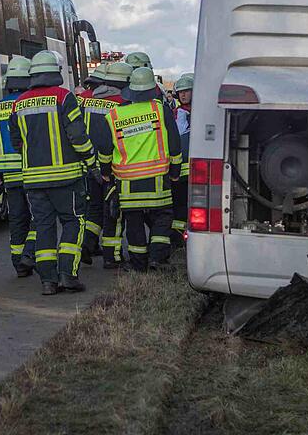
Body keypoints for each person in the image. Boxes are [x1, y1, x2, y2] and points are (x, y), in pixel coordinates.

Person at [9, 50, 98, 295]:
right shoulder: (64, 97)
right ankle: (68, 275)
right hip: (66, 178)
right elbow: (78, 136)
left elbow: (17, 142)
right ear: (56, 73)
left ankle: (48, 281)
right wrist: (92, 162)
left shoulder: (19, 103)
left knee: (43, 226)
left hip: (33, 180)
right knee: (73, 222)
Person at [98, 67, 181, 271]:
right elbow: (174, 142)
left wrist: (106, 172)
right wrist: (176, 171)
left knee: (133, 223)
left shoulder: (114, 115)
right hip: (157, 179)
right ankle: (157, 258)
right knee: (163, 217)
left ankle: (138, 264)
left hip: (127, 183)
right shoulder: (160, 110)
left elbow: (105, 150)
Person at [0, 56, 36, 277]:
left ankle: (18, 263)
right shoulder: (26, 104)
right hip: (30, 171)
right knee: (38, 217)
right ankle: (29, 253)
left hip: (7, 175)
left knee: (17, 218)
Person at [76, 61, 127, 264]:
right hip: (111, 164)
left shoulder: (85, 100)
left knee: (94, 208)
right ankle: (111, 256)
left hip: (88, 164)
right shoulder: (121, 102)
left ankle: (87, 244)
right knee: (114, 210)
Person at [170, 72, 194, 247]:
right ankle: (178, 240)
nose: (183, 95)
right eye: (181, 92)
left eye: (187, 91)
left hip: (194, 169)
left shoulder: (197, 112)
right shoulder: (179, 113)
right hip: (182, 170)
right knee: (180, 206)